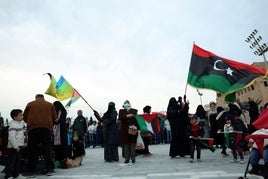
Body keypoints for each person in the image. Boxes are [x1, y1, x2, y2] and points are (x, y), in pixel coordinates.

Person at [23, 94, 57, 177]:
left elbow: (24, 117)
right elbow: (54, 118)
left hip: (33, 129)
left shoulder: (30, 104)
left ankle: (32, 171)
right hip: (46, 129)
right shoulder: (50, 104)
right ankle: (49, 170)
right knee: (47, 149)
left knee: (32, 150)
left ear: (36, 98)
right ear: (43, 98)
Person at [4, 109, 25, 179]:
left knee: (18, 161)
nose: (22, 116)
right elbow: (11, 137)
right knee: (11, 162)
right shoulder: (13, 125)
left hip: (19, 146)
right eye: (20, 115)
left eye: (22, 114)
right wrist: (15, 146)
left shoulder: (21, 123)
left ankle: (16, 174)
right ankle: (8, 175)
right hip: (13, 147)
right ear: (14, 117)